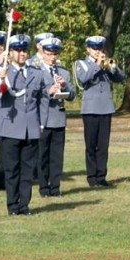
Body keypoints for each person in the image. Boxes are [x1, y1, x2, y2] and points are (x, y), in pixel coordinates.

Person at [0, 34, 46, 216]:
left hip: (30, 127)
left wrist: (41, 124)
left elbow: (42, 100)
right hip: (10, 126)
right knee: (11, 168)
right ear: (11, 53)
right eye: (18, 50)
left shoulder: (36, 73)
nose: (22, 54)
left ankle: (24, 204)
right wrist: (1, 79)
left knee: (27, 170)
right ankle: (12, 204)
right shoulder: (4, 72)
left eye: (24, 50)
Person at [75, 35, 125, 187]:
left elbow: (120, 78)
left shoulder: (106, 63)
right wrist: (97, 65)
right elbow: (83, 79)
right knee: (91, 145)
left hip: (105, 108)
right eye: (94, 48)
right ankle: (92, 177)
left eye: (100, 48)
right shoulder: (81, 63)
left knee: (103, 145)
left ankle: (101, 176)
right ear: (88, 49)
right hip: (90, 109)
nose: (97, 51)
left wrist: (113, 67)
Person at [38, 38, 75, 197]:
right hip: (42, 119)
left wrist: (64, 86)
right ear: (43, 53)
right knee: (42, 156)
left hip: (58, 118)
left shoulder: (63, 72)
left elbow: (73, 95)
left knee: (56, 157)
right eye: (49, 53)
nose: (52, 57)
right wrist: (49, 90)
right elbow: (33, 93)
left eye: (55, 54)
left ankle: (55, 187)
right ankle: (43, 188)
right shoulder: (37, 71)